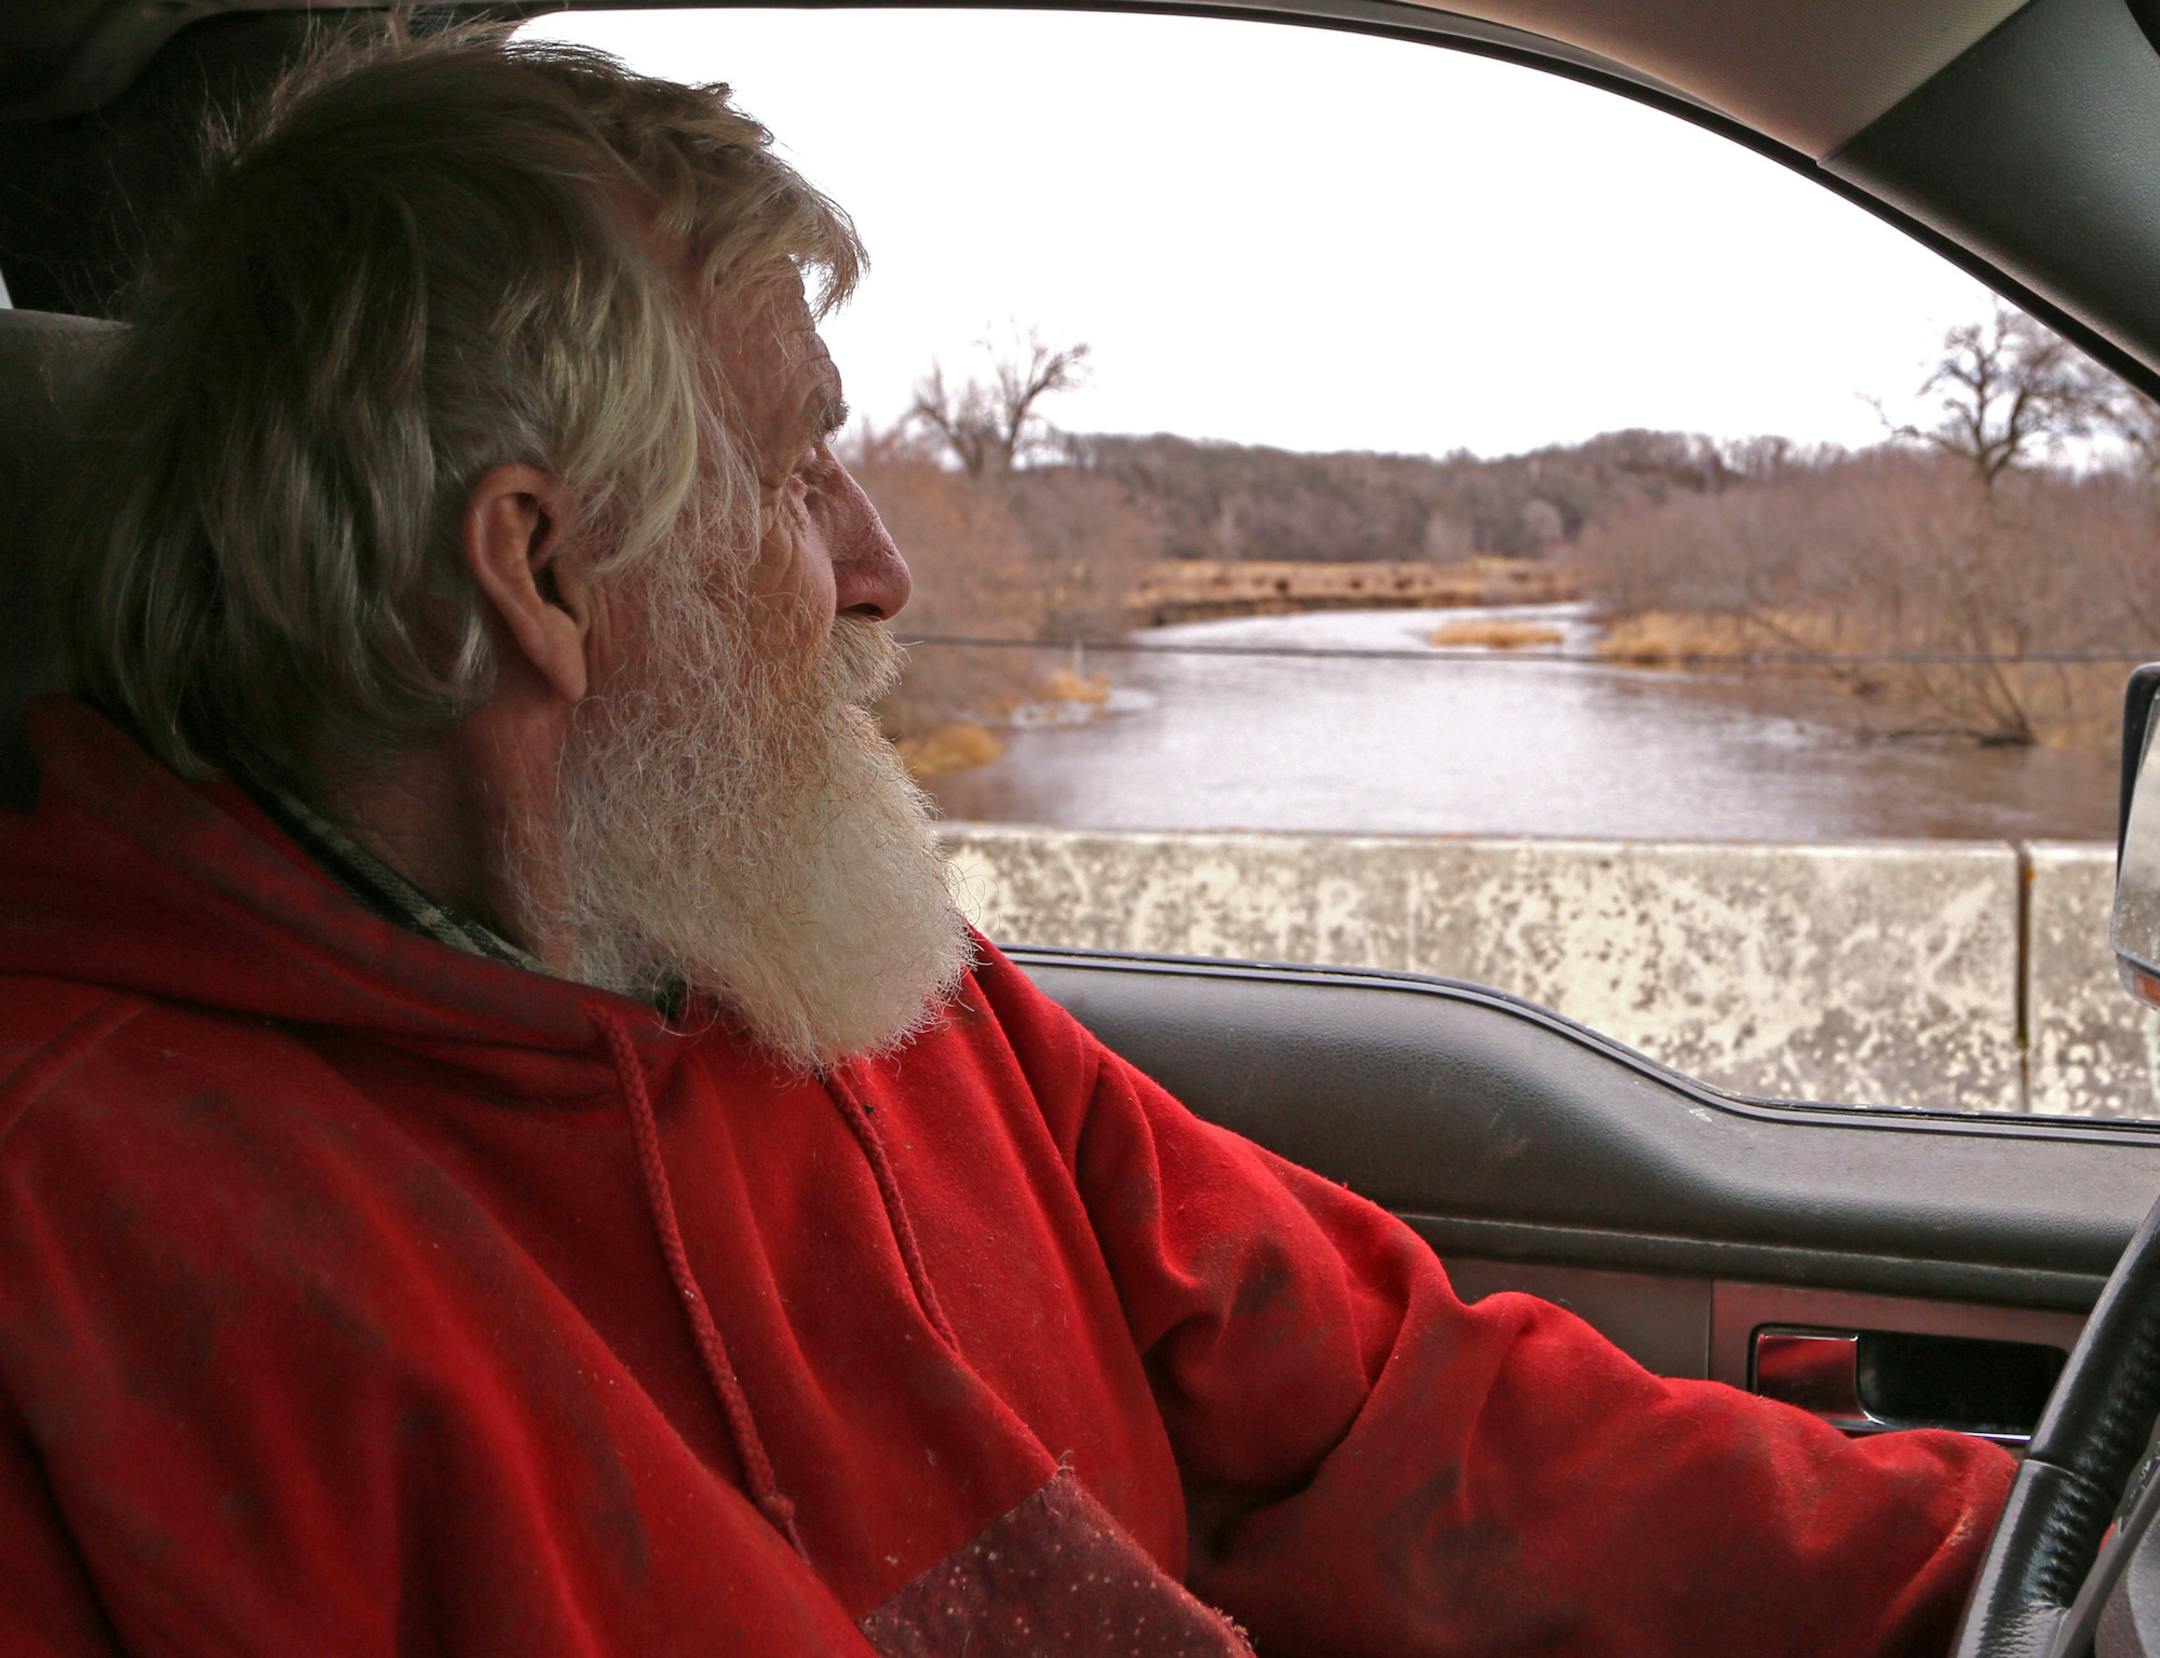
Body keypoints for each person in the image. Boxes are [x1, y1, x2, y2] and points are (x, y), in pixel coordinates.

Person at [0, 28, 2014, 1657]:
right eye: (796, 471)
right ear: (538, 572)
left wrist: (1998, 1553)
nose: (878, 570)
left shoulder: (844, 982)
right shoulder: (73, 1248)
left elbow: (1393, 1421)